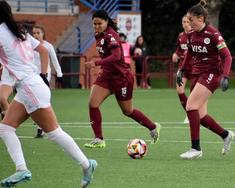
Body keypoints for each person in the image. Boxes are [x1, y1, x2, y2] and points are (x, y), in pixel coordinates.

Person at [0, 1, 97, 187]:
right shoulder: (18, 30)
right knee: (5, 128)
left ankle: (87, 165)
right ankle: (21, 170)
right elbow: (43, 50)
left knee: (53, 132)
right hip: (31, 86)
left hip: (30, 89)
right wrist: (44, 76)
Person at [84, 10, 160, 148]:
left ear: (106, 22)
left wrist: (96, 63)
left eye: (99, 23)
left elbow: (115, 56)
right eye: (94, 24)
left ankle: (153, 127)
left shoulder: (112, 37)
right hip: (107, 76)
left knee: (127, 111)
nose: (96, 26)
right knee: (92, 104)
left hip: (122, 78)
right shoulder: (98, 35)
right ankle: (99, 139)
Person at [177, 4, 235, 160]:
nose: (189, 23)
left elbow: (227, 56)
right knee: (201, 116)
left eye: (191, 19)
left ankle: (196, 149)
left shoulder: (213, 34)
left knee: (190, 106)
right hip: (198, 74)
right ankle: (226, 134)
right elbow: (189, 54)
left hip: (211, 74)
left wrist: (226, 75)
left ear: (201, 18)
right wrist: (182, 70)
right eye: (187, 20)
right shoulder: (191, 35)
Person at [32, 25, 63, 138]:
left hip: (44, 76)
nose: (35, 35)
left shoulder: (48, 46)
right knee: (32, 100)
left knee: (42, 100)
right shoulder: (29, 46)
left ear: (43, 34)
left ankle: (40, 128)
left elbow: (54, 60)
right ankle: (38, 121)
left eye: (38, 33)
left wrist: (59, 74)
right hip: (32, 76)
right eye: (34, 33)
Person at [172, 15, 192, 124]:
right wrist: (175, 54)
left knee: (195, 93)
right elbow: (178, 50)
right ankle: (189, 114)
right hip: (182, 68)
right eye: (183, 22)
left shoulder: (196, 35)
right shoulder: (181, 36)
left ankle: (195, 113)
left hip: (195, 68)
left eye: (187, 21)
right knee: (179, 90)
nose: (185, 24)